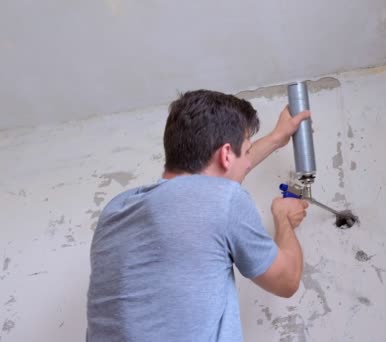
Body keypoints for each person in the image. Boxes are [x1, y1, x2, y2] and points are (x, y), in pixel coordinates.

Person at [86, 89, 311, 342]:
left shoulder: (116, 210)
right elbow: (287, 281)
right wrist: (284, 220)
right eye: (246, 151)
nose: (248, 162)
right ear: (226, 154)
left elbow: (212, 184)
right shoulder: (224, 200)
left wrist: (276, 138)